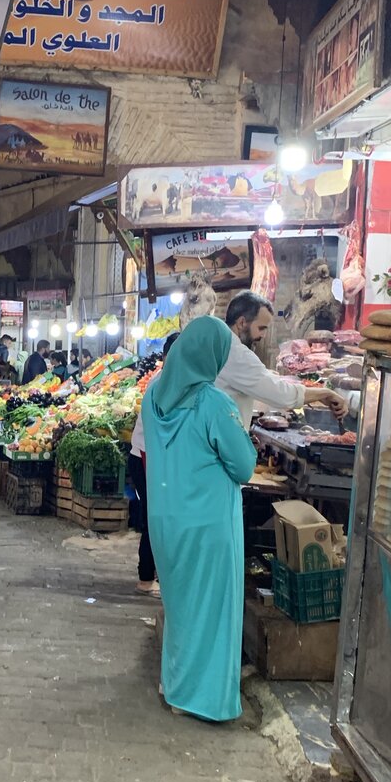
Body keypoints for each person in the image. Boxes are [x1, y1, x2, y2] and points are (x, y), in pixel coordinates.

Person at [143, 317, 258, 721]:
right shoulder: (214, 403)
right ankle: (202, 699)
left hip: (165, 520)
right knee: (211, 611)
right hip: (208, 524)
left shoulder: (153, 396)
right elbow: (243, 467)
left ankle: (175, 687)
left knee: (180, 608)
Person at [219, 292, 347, 426]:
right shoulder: (236, 353)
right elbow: (281, 395)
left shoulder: (221, 344)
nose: (263, 335)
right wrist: (325, 393)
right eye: (261, 328)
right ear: (242, 323)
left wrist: (266, 374)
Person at [129, 331, 179, 595]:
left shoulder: (170, 381)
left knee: (156, 517)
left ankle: (152, 574)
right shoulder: (164, 383)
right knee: (155, 518)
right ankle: (146, 578)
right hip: (146, 457)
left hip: (149, 456)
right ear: (166, 356)